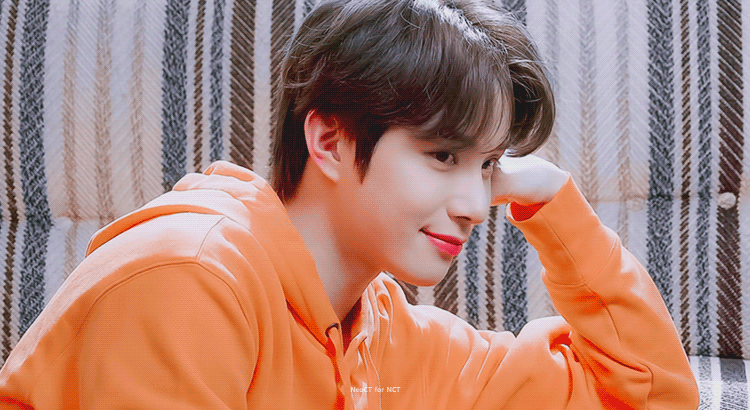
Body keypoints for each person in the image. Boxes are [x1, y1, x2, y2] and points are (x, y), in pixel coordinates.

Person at [0, 0, 699, 408]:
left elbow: (650, 397)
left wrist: (552, 201)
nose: (474, 203)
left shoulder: (378, 332)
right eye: (443, 155)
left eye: (486, 166)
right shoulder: (187, 279)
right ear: (330, 141)